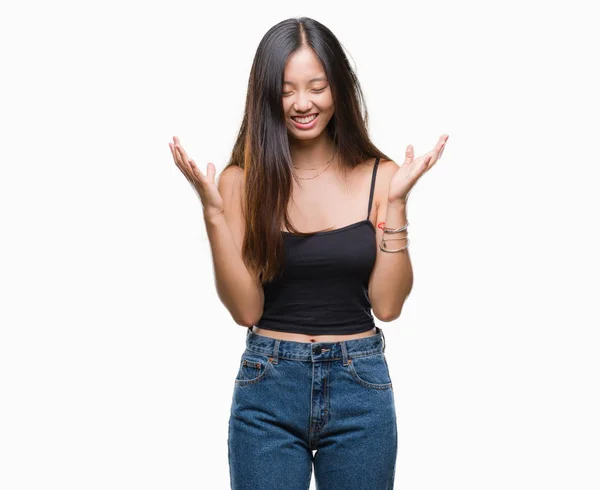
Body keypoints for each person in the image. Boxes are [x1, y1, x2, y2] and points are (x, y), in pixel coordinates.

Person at [169, 16, 448, 490]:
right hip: (268, 387)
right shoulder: (240, 182)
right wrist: (214, 215)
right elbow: (246, 310)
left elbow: (388, 306)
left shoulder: (381, 177)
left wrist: (398, 204)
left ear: (337, 88)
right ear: (266, 97)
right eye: (286, 90)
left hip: (360, 385)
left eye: (317, 87)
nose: (303, 103)